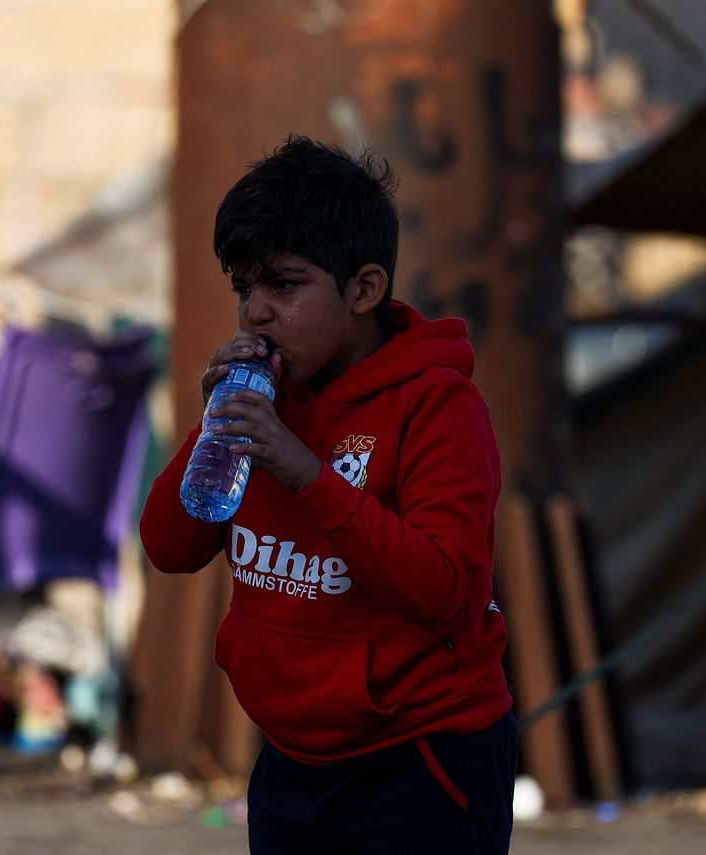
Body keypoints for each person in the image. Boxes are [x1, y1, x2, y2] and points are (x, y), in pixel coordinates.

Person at [139, 135, 516, 854]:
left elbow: (441, 586)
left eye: (284, 285)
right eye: (242, 288)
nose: (255, 312)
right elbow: (168, 547)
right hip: (292, 754)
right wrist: (211, 428)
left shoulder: (436, 405)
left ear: (364, 289)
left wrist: (302, 470)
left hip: (421, 754)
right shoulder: (265, 398)